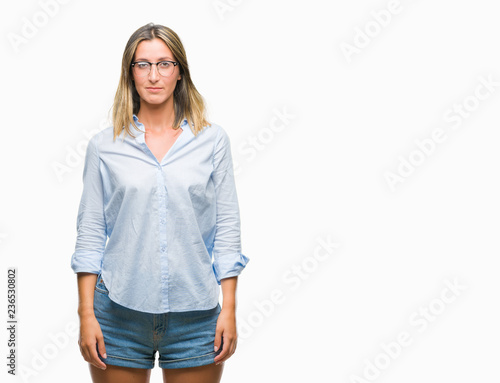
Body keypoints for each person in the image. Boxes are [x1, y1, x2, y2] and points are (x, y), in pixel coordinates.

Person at [70, 22, 249, 383]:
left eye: (164, 64)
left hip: (196, 316)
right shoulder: (105, 146)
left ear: (179, 72)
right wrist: (86, 314)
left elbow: (227, 228)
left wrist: (228, 308)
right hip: (118, 313)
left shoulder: (212, 141)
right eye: (143, 64)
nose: (154, 75)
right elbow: (90, 233)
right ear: (130, 73)